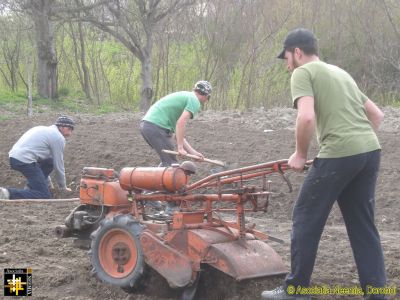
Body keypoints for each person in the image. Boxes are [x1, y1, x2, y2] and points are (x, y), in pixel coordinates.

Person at [261, 28, 387, 300]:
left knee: (305, 217)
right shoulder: (340, 73)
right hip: (369, 152)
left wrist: (300, 154)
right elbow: (377, 116)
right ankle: (377, 294)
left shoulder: (302, 73)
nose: (286, 65)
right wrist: (356, 142)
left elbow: (306, 118)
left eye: (286, 58)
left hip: (339, 153)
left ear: (297, 52)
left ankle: (295, 290)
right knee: (362, 225)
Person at [0, 116, 74, 200]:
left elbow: (45, 163)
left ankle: (30, 189)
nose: (70, 133)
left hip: (14, 157)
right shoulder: (58, 138)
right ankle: (6, 193)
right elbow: (59, 165)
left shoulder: (43, 129)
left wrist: (48, 184)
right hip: (25, 160)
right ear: (62, 126)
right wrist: (63, 187)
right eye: (69, 129)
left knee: (49, 161)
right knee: (43, 195)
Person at [140, 80, 212, 166]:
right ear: (206, 95)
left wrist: (192, 152)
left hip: (147, 126)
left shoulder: (186, 97)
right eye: (208, 98)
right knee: (171, 165)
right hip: (156, 126)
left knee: (168, 161)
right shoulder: (194, 100)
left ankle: (155, 177)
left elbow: (177, 135)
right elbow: (180, 123)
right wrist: (180, 148)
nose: (206, 100)